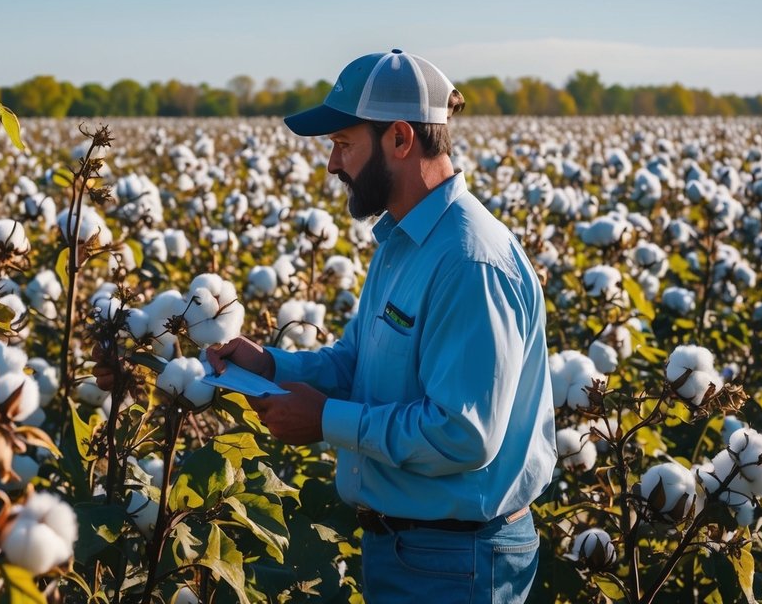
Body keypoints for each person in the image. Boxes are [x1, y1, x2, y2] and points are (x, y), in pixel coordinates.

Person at [207, 49, 556, 603]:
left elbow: (462, 434)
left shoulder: (468, 261)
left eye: (344, 144)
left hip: (457, 564)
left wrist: (325, 420)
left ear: (399, 138)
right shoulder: (404, 242)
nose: (332, 164)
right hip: (412, 551)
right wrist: (271, 365)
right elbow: (359, 365)